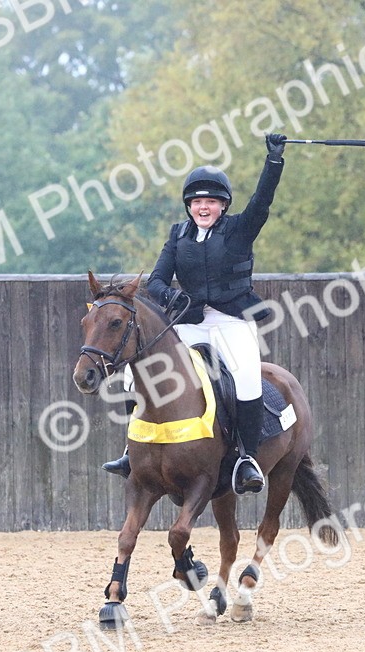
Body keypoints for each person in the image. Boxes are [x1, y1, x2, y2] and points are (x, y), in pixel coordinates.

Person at [102, 131, 289, 494]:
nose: (203, 207)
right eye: (197, 202)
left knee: (247, 379)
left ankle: (247, 458)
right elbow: (156, 280)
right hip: (189, 322)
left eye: (212, 202)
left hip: (232, 320)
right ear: (189, 206)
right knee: (133, 378)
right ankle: (131, 450)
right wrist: (172, 298)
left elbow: (262, 201)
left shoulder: (239, 229)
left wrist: (274, 161)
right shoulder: (178, 236)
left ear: (223, 206)